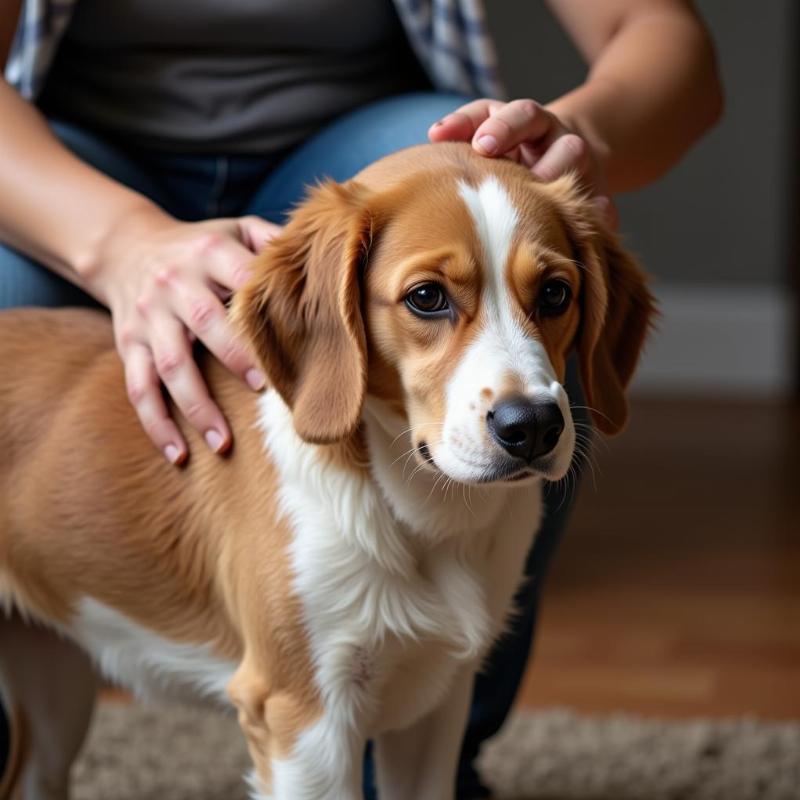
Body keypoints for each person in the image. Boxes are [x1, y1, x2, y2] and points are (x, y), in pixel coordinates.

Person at [0, 1, 722, 797]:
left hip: (378, 135)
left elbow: (664, 35)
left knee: (456, 168)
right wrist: (116, 241)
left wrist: (577, 137)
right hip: (64, 157)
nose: (525, 395)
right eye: (429, 299)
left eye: (551, 296)